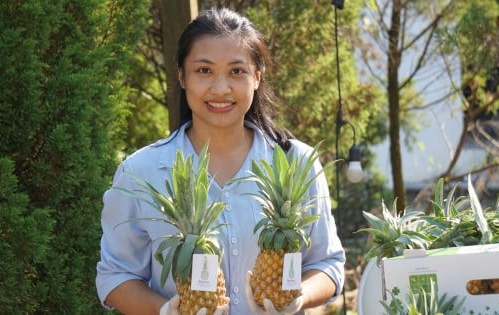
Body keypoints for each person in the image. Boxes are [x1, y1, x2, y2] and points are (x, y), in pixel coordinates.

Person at [96, 7, 345, 315]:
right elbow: (116, 276)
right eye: (204, 70)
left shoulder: (297, 162)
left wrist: (298, 298)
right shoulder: (141, 172)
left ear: (257, 76)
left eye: (236, 71)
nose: (221, 88)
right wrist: (164, 310)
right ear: (181, 76)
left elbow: (328, 265)